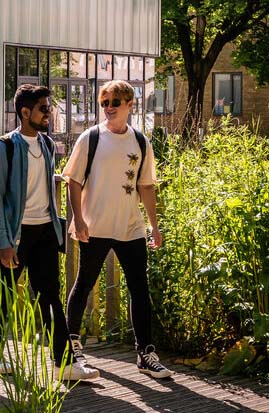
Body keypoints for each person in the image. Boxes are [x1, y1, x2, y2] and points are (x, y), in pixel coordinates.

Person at [0, 84, 99, 381]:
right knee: (3, 294)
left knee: (50, 295)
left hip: (45, 231)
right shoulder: (4, 147)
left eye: (49, 108)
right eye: (44, 108)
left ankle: (64, 364)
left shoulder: (47, 144)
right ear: (25, 112)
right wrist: (4, 243)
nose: (49, 113)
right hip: (16, 235)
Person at [62, 79, 173, 379]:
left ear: (129, 105)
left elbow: (146, 185)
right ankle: (71, 346)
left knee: (139, 287)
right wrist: (79, 219)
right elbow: (72, 180)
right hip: (95, 224)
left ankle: (145, 353)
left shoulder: (140, 141)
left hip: (130, 226)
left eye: (114, 102)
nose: (109, 108)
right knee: (84, 283)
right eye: (104, 103)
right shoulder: (91, 138)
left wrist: (154, 226)